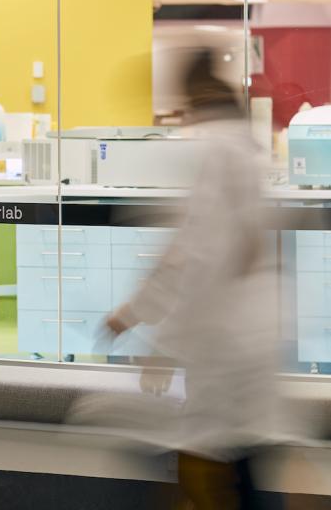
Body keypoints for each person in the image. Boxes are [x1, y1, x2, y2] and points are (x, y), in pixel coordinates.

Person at [103, 51, 283, 509]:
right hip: (251, 342)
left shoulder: (212, 150)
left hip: (223, 344)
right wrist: (141, 314)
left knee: (214, 470)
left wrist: (162, 343)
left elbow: (198, 254)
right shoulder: (244, 148)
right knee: (241, 469)